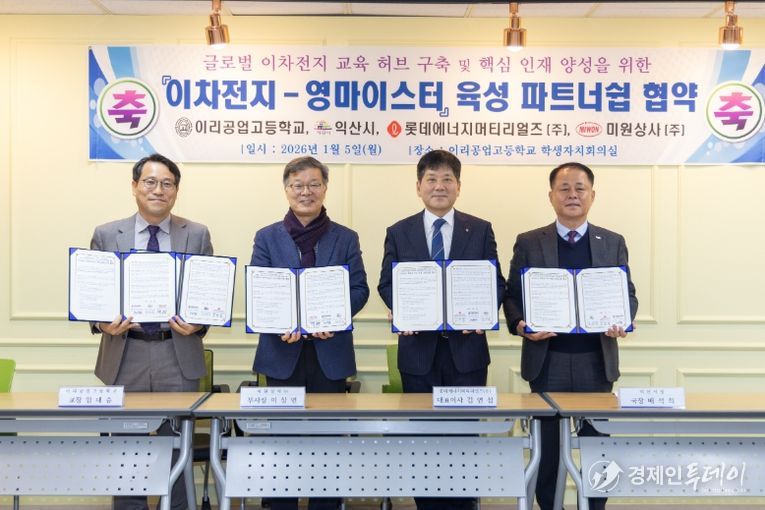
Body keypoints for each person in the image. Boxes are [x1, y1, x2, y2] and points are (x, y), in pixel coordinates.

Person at [503, 162, 638, 510]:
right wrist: (521, 326)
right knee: (547, 450)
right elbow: (512, 296)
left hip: (596, 361)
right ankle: (550, 506)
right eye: (564, 188)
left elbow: (627, 294)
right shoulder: (529, 241)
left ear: (592, 195)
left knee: (597, 448)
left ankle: (593, 507)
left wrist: (623, 320)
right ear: (551, 196)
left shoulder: (612, 241)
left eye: (580, 188)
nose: (572, 195)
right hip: (548, 361)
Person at [377, 149, 505, 510]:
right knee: (424, 440)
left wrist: (483, 312)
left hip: (467, 354)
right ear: (418, 186)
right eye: (431, 179)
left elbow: (496, 282)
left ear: (458, 187)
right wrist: (402, 309)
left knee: (464, 438)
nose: (439, 186)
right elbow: (387, 283)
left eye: (447, 179)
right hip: (418, 354)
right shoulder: (399, 231)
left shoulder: (479, 229)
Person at [90, 153, 213, 510]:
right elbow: (95, 293)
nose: (158, 190)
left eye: (167, 183)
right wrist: (101, 322)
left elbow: (207, 293)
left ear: (176, 190)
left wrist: (199, 322)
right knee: (125, 450)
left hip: (177, 353)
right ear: (135, 186)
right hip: (124, 351)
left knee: (178, 448)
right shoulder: (106, 234)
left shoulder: (197, 234)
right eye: (150, 182)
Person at [250, 156, 369, 510]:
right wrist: (279, 324)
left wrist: (333, 318)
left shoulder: (345, 237)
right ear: (286, 189)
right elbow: (261, 290)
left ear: (325, 188)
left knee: (327, 442)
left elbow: (359, 289)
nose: (306, 192)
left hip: (329, 355)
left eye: (314, 184)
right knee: (281, 443)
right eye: (298, 185)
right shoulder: (267, 237)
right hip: (280, 354)